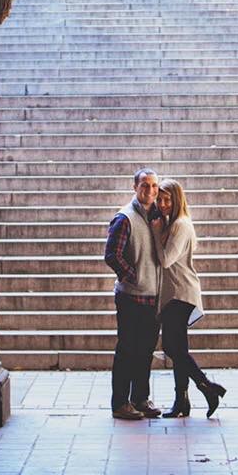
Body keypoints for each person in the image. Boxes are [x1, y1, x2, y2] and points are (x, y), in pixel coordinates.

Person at [151, 178, 227, 418]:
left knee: (171, 347)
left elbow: (166, 260)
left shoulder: (181, 225)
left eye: (167, 200)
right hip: (175, 294)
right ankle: (182, 402)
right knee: (179, 349)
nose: (162, 204)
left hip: (181, 293)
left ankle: (207, 387)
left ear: (177, 200)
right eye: (159, 200)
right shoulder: (172, 223)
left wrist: (156, 234)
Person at [104, 167, 162, 420]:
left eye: (154, 185)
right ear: (135, 188)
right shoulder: (125, 218)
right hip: (131, 296)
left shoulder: (158, 216)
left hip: (153, 296)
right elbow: (111, 255)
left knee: (146, 351)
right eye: (144, 185)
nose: (150, 190)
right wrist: (134, 276)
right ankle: (120, 403)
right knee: (127, 350)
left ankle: (140, 398)